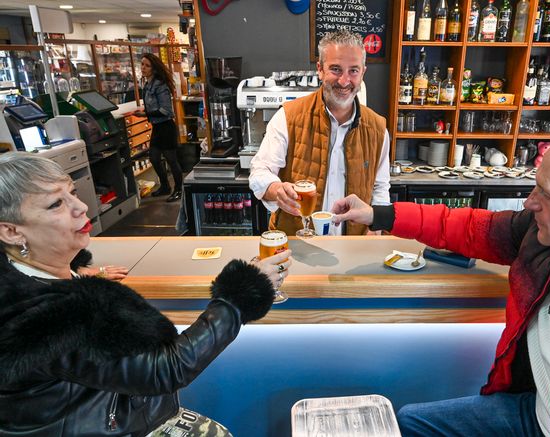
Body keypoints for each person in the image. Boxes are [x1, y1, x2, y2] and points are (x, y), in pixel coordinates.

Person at [331, 125, 550, 436]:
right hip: (532, 413)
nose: (530, 202)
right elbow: (469, 227)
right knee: (408, 422)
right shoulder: (541, 234)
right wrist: (379, 215)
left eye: (546, 193)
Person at [0, 152, 292, 435]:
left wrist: (75, 273)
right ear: (11, 232)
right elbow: (166, 368)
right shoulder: (42, 317)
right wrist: (240, 294)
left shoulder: (28, 278)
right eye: (55, 204)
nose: (81, 207)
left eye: (73, 192)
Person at [248, 29, 390, 236]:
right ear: (320, 70)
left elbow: (380, 187)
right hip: (296, 243)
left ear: (363, 73)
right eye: (335, 69)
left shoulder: (377, 128)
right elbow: (260, 171)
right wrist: (277, 190)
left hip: (353, 245)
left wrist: (374, 227)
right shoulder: (288, 116)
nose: (344, 81)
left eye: (353, 71)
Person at [135, 53, 183, 203]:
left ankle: (179, 190)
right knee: (154, 158)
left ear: (154, 69)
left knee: (171, 160)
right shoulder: (147, 85)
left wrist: (145, 114)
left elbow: (167, 111)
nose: (143, 68)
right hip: (157, 127)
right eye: (142, 64)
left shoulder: (160, 86)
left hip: (166, 127)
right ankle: (165, 186)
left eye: (147, 65)